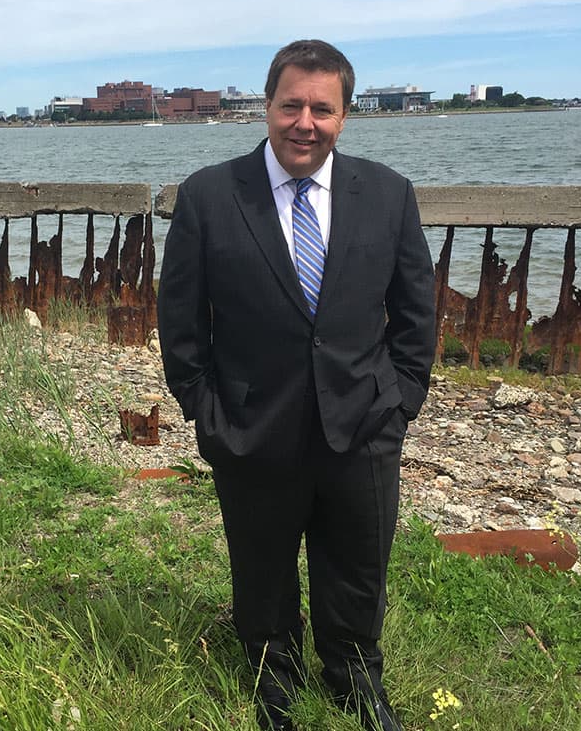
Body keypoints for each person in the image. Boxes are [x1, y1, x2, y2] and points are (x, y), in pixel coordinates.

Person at [157, 39, 435, 731]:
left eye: (322, 108)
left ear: (344, 116)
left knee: (358, 566)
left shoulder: (389, 194)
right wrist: (204, 409)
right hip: (252, 424)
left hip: (364, 421)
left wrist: (399, 402)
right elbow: (179, 316)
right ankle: (272, 679)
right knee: (263, 567)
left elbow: (416, 310)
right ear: (267, 105)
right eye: (290, 105)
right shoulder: (211, 195)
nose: (304, 122)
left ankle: (353, 678)